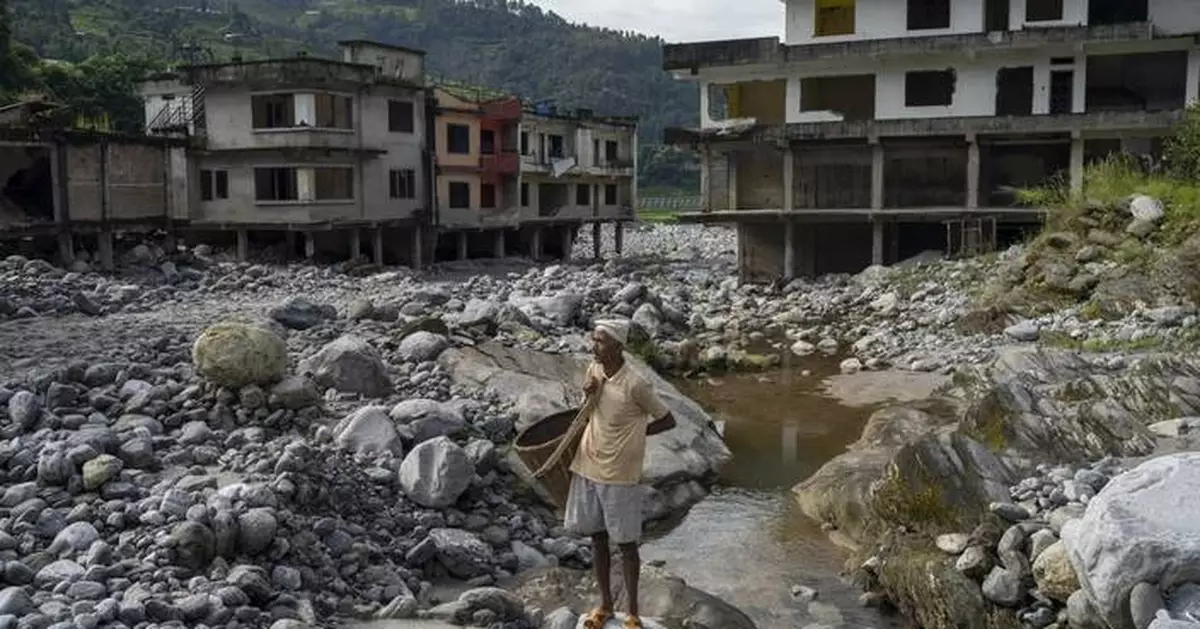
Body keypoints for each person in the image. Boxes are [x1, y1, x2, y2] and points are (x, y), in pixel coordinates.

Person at [565, 318, 677, 629]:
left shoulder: (636, 384)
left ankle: (633, 614)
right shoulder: (594, 370)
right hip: (589, 463)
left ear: (618, 346)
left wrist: (636, 435)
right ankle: (604, 606)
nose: (594, 346)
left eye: (600, 341)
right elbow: (588, 412)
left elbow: (668, 420)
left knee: (626, 544)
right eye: (594, 339)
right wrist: (588, 394)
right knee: (597, 538)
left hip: (619, 472)